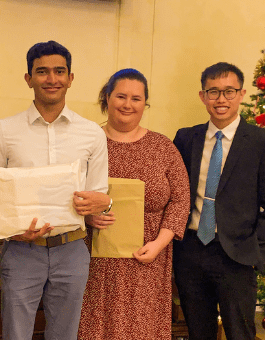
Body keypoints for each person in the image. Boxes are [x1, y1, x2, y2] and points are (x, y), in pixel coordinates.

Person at [0, 40, 110, 340]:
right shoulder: (4, 131)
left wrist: (99, 203)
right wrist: (11, 230)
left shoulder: (91, 133)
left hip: (73, 249)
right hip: (23, 250)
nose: (51, 79)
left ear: (70, 78)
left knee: (64, 335)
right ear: (28, 79)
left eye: (59, 71)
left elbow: (98, 191)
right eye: (42, 72)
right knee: (16, 334)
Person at [172, 62, 265, 340]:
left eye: (229, 91)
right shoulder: (186, 137)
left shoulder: (263, 142)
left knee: (240, 332)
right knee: (199, 332)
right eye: (213, 92)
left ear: (242, 94)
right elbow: (173, 193)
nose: (221, 99)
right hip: (191, 250)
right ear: (203, 96)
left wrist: (256, 253)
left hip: (237, 255)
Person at [78, 68, 190, 340]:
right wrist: (86, 217)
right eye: (121, 96)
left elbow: (181, 199)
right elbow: (66, 193)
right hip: (95, 257)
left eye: (136, 98)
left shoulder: (162, 146)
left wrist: (159, 244)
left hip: (148, 257)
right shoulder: (86, 142)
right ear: (107, 98)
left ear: (145, 103)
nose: (128, 104)